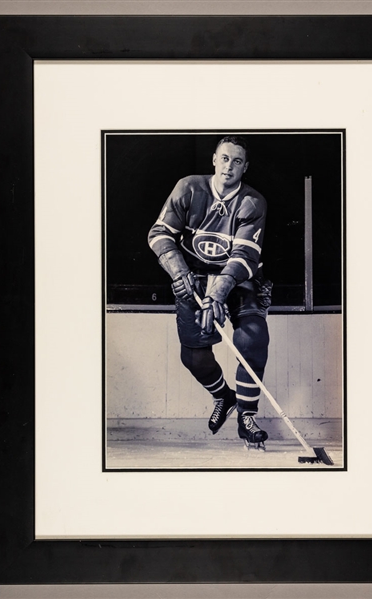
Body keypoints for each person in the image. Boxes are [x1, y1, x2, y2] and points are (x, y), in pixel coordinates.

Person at [148, 135, 272, 449]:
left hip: (237, 280)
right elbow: (160, 233)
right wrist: (179, 272)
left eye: (238, 161)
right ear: (214, 159)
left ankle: (247, 416)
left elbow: (244, 256)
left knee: (252, 337)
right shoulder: (188, 187)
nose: (230, 166)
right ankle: (224, 396)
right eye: (225, 158)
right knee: (194, 355)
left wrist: (218, 293)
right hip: (193, 277)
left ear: (246, 167)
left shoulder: (253, 202)